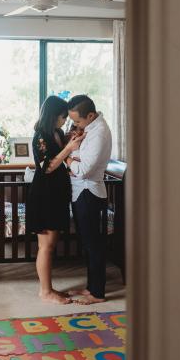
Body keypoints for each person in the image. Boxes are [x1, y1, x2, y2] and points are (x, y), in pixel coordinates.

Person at [26, 96, 85, 304]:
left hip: (57, 195)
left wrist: (70, 140)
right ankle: (45, 291)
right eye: (63, 117)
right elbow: (47, 167)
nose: (64, 121)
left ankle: (49, 288)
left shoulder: (57, 132)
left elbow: (61, 157)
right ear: (54, 115)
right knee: (46, 246)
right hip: (44, 195)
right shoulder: (40, 136)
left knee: (51, 244)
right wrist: (68, 149)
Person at [64, 95, 112, 304]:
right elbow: (81, 161)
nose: (75, 125)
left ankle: (98, 293)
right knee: (88, 242)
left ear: (90, 115)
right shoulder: (91, 130)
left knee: (93, 244)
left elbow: (83, 170)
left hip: (89, 193)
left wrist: (67, 158)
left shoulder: (99, 133)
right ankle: (92, 286)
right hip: (82, 191)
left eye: (77, 121)